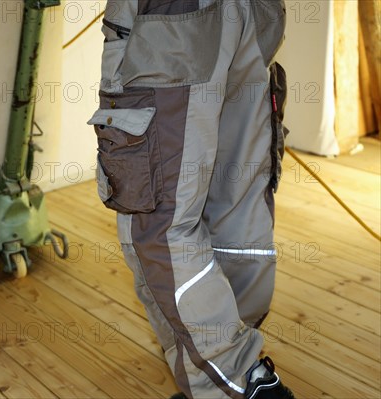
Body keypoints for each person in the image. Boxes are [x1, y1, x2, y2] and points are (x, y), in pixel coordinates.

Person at [88, 0, 294, 398]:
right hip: (256, 13)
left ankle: (237, 381)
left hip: (174, 23)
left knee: (160, 227)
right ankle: (229, 373)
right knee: (233, 202)